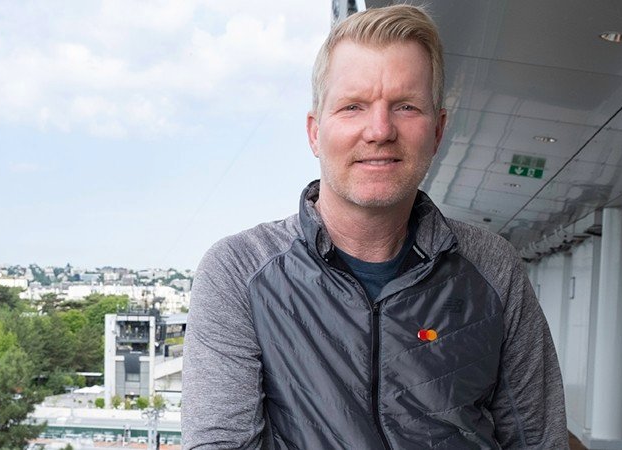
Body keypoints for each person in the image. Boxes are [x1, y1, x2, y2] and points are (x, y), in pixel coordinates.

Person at [182, 5, 567, 449]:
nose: (380, 130)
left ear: (438, 131)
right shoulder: (239, 272)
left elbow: (538, 440)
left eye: (405, 106)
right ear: (314, 132)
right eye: (353, 107)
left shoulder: (492, 267)